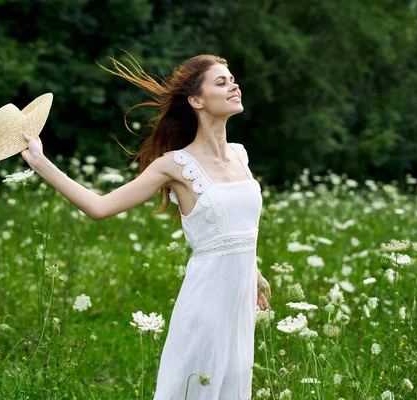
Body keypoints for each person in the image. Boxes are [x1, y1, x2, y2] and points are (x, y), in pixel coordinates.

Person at [21, 54, 271, 400]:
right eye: (221, 82)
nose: (234, 85)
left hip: (239, 304)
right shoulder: (175, 165)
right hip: (206, 305)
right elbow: (99, 207)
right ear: (196, 101)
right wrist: (41, 163)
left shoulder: (240, 156)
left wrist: (252, 271)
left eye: (232, 79)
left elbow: (238, 229)